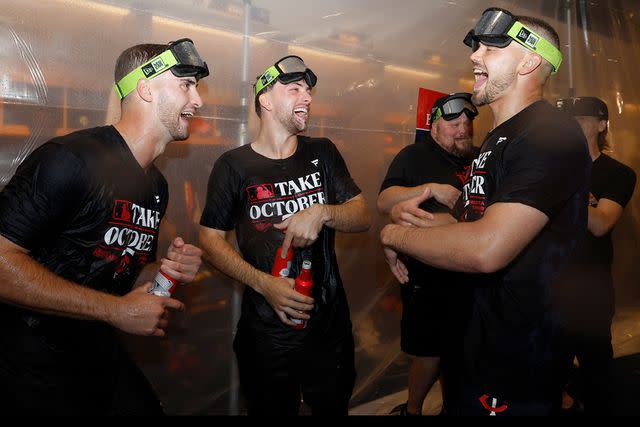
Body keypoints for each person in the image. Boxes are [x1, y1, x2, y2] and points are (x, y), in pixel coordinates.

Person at [380, 8, 591, 415]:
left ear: (530, 60)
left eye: (492, 48)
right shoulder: (500, 137)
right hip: (477, 338)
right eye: (477, 47)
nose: (475, 56)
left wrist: (394, 236)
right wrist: (417, 222)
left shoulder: (550, 134)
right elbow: (474, 223)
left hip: (519, 355)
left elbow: (487, 248)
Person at [0, 39, 207, 415]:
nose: (198, 101)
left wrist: (163, 271)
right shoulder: (69, 160)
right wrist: (116, 311)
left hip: (95, 350)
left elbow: (121, 269)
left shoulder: (156, 186)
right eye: (186, 85)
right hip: (29, 361)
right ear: (145, 88)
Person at [199, 55, 371, 415]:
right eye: (294, 89)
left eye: (308, 91)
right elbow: (210, 240)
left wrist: (321, 212)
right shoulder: (234, 166)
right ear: (265, 100)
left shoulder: (322, 153)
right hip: (267, 330)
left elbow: (361, 215)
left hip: (329, 326)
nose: (306, 98)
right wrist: (264, 284)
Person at [377, 92, 478, 416]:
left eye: (467, 122)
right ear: (433, 126)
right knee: (429, 351)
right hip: (428, 278)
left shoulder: (482, 157)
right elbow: (384, 201)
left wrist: (441, 223)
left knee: (462, 352)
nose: (463, 129)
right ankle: (413, 409)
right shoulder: (415, 156)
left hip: (473, 274)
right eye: (453, 124)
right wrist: (431, 190)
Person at [554, 96, 637, 415]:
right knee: (548, 364)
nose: (572, 122)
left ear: (602, 125)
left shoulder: (618, 173)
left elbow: (601, 223)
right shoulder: (552, 168)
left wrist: (566, 188)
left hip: (590, 287)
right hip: (550, 282)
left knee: (595, 366)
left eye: (581, 117)